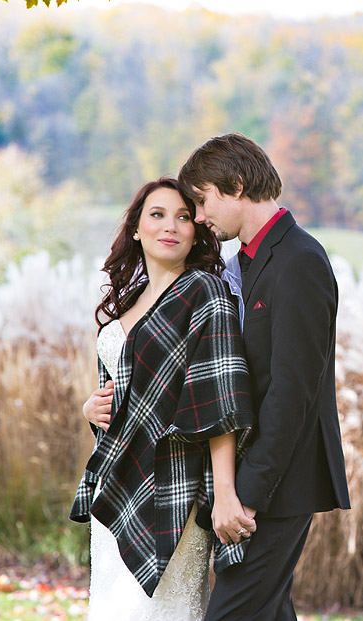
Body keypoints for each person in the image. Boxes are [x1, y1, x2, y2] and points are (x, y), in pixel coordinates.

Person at [178, 133, 350, 621]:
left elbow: (292, 394)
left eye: (203, 200)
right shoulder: (247, 263)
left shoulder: (300, 261)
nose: (202, 216)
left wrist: (245, 496)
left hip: (279, 483)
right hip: (262, 480)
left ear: (235, 186)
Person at [70, 178, 257, 621]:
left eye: (184, 216)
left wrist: (226, 492)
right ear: (137, 228)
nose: (170, 226)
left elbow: (220, 401)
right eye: (157, 215)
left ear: (197, 231)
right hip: (117, 488)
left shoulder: (205, 293)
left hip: (174, 488)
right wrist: (90, 410)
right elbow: (116, 396)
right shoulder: (125, 303)